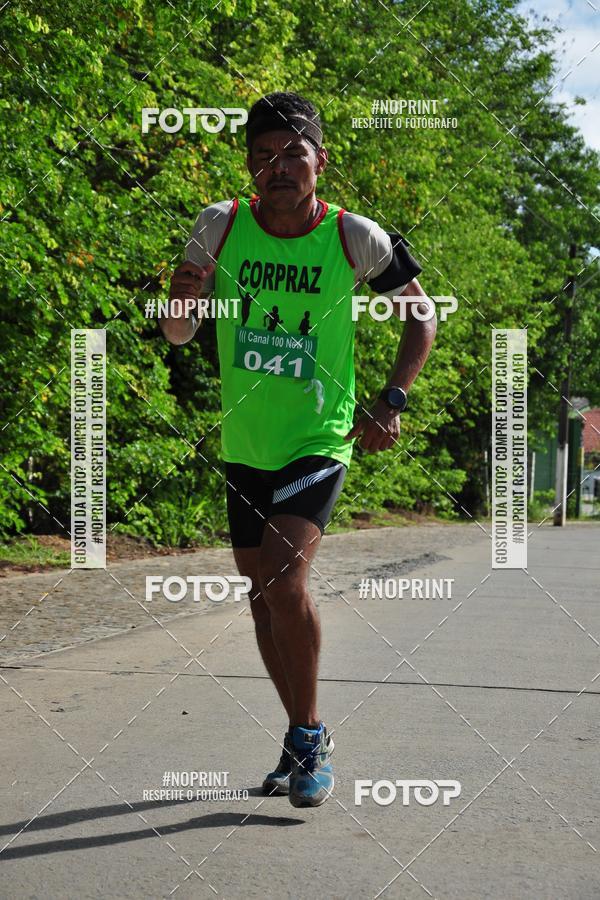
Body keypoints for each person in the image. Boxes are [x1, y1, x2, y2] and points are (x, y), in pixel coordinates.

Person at [160, 91, 436, 808]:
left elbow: (422, 316)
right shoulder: (220, 225)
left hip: (319, 438)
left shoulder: (354, 237)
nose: (276, 168)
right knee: (260, 602)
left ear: (320, 160)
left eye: (291, 154)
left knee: (286, 583)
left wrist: (391, 399)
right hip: (247, 440)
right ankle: (298, 731)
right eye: (261, 157)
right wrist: (181, 300)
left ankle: (311, 737)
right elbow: (179, 335)